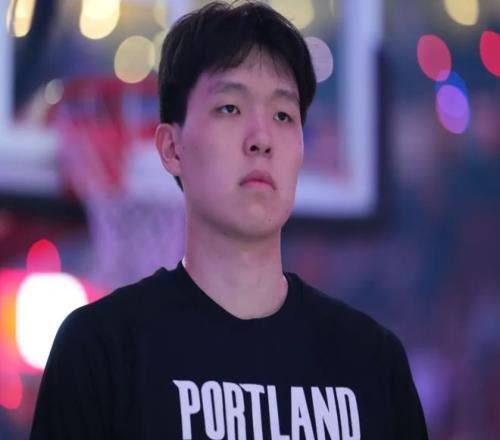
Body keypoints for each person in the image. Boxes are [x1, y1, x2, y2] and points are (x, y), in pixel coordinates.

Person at [30, 1, 428, 439]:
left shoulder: (372, 363)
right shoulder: (100, 351)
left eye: (283, 115)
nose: (261, 139)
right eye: (230, 108)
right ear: (172, 148)